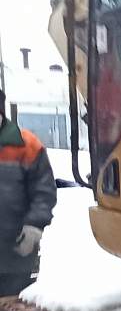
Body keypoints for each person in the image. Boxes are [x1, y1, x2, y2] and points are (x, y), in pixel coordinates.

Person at [0, 89, 57, 296]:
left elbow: (44, 192)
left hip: (15, 249)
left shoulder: (27, 146)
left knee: (13, 306)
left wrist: (34, 226)